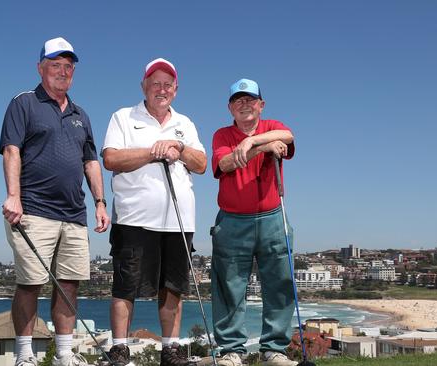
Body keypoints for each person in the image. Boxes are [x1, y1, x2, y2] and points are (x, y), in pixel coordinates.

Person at [0, 37, 110, 366]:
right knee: (30, 283)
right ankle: (24, 355)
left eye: (68, 67)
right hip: (32, 210)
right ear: (40, 68)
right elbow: (11, 150)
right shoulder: (24, 103)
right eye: (55, 65)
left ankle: (64, 354)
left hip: (74, 215)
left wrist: (101, 203)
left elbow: (91, 162)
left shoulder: (81, 115)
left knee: (68, 285)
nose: (62, 72)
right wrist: (13, 196)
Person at [101, 58, 207, 366]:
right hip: (134, 220)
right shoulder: (123, 117)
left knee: (172, 288)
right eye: (155, 83)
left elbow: (200, 164)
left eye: (168, 84)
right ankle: (120, 349)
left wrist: (178, 147)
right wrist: (152, 151)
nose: (161, 89)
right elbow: (111, 159)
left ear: (176, 89)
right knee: (125, 286)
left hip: (179, 221)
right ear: (144, 86)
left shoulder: (184, 124)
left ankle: (170, 349)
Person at [210, 79, 297, 366]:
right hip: (233, 222)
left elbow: (288, 135)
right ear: (229, 108)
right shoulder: (222, 135)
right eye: (238, 100)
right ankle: (231, 351)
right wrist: (264, 147)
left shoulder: (273, 125)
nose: (244, 104)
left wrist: (252, 140)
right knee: (229, 287)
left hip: (272, 217)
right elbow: (226, 164)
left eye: (250, 99)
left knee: (279, 284)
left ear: (261, 105)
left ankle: (274, 350)